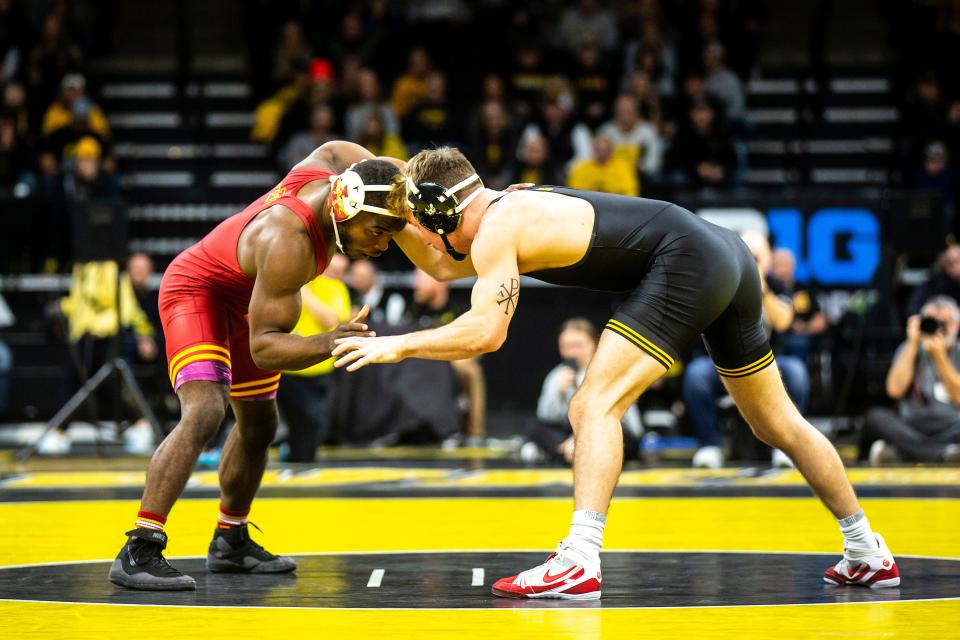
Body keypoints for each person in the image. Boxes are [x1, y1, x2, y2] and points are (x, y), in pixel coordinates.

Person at [333, 147, 900, 599]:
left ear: (439, 211)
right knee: (777, 422)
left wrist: (398, 345)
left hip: (687, 260)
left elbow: (487, 332)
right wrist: (397, 214)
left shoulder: (496, 229)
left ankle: (579, 559)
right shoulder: (510, 203)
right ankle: (867, 550)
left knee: (591, 405)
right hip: (723, 254)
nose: (430, 243)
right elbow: (440, 258)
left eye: (425, 226)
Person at [107, 141, 406, 591]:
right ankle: (140, 547)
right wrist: (329, 340)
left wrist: (419, 180)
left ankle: (230, 540)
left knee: (262, 422)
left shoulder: (327, 172)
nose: (383, 246)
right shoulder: (291, 243)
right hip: (198, 293)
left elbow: (343, 152)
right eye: (378, 232)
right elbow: (266, 348)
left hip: (247, 297)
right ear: (347, 209)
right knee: (206, 410)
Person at [683, 233, 808, 469]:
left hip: (770, 363)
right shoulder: (720, 279)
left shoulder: (778, 285)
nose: (751, 262)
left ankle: (788, 446)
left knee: (797, 371)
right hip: (724, 362)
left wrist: (761, 289)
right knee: (696, 374)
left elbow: (783, 321)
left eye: (757, 257)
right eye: (746, 255)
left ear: (768, 259)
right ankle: (708, 445)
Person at [525, 318, 641, 464]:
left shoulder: (609, 371)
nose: (572, 352)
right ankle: (573, 452)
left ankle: (567, 453)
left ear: (593, 344)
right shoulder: (557, 375)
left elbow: (627, 424)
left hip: (606, 432)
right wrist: (559, 394)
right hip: (572, 435)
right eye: (566, 346)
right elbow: (545, 417)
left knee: (620, 436)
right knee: (535, 427)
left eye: (578, 345)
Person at [863, 296, 960, 464]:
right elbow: (894, 390)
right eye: (932, 322)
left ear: (956, 325)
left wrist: (940, 357)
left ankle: (904, 453)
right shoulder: (909, 348)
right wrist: (912, 344)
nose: (939, 329)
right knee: (875, 417)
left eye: (944, 323)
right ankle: (942, 454)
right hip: (912, 426)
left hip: (952, 427)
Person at [277, 269, 352, 463]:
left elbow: (332, 321)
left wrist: (302, 290)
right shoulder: (279, 283)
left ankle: (301, 462)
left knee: (312, 425)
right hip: (285, 367)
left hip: (317, 370)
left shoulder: (333, 286)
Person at [770, 248, 828, 361]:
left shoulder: (803, 289)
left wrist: (805, 327)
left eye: (785, 265)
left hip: (800, 337)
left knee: (798, 342)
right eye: (778, 265)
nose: (782, 270)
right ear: (771, 267)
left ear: (793, 266)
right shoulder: (768, 290)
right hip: (773, 337)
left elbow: (821, 320)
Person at [566, 134, 639, 196]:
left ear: (611, 151)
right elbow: (574, 193)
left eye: (605, 150)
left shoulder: (623, 168)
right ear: (593, 150)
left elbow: (631, 193)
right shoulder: (580, 169)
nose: (602, 154)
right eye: (598, 150)